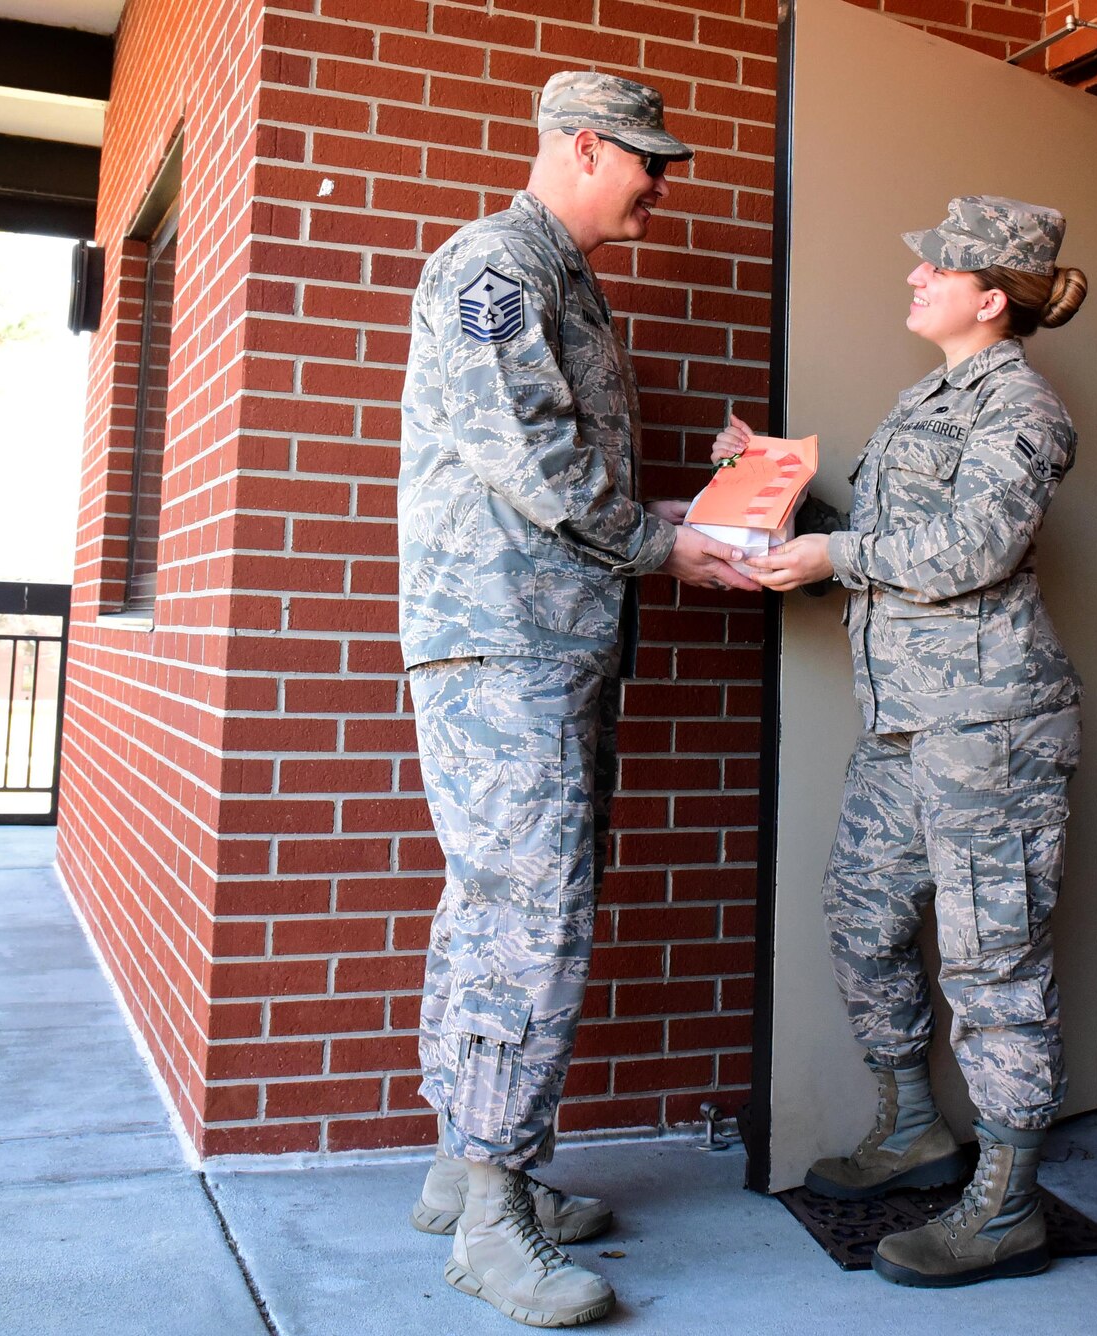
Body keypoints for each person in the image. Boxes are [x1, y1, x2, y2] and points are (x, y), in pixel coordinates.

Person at [397, 70, 757, 1329]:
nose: (660, 185)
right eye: (647, 161)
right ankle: (496, 1218)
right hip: (505, 646)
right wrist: (661, 545)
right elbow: (531, 454)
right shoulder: (499, 265)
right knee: (530, 915)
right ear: (584, 145)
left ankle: (466, 1169)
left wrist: (680, 517)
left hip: (539, 639)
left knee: (497, 901)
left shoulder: (562, 277)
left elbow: (549, 478)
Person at [724, 195, 1089, 1288]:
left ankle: (1006, 1199)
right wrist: (774, 481)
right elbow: (898, 533)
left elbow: (973, 545)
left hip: (990, 730)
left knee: (994, 956)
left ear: (990, 298)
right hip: (905, 721)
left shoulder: (1021, 406)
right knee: (860, 915)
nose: (914, 278)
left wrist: (834, 556)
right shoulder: (929, 397)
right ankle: (911, 1125)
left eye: (935, 267)